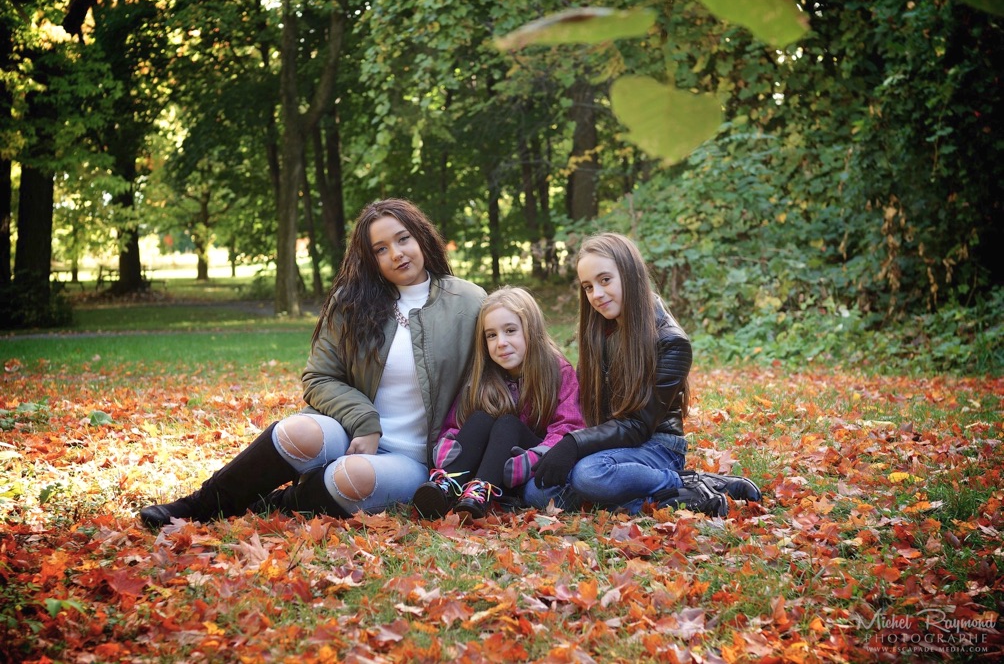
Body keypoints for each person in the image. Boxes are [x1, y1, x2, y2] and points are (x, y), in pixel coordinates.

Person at [139, 199, 486, 528]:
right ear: (370, 259)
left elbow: (511, 360)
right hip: (351, 430)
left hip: (415, 458)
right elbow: (319, 377)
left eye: (403, 239)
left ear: (421, 236)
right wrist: (365, 422)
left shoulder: (467, 301)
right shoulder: (351, 303)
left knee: (350, 477)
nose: (396, 254)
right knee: (297, 431)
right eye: (381, 249)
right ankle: (199, 506)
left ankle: (284, 501)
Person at [525, 233, 762, 516]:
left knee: (589, 475)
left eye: (605, 280)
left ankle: (686, 482)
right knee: (536, 492)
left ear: (630, 274)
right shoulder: (599, 331)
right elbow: (583, 407)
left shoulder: (670, 341)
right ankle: (668, 498)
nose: (596, 295)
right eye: (588, 287)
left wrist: (575, 445)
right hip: (611, 447)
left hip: (657, 446)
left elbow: (638, 427)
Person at [411, 286, 585, 521]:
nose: (501, 342)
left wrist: (530, 461)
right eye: (491, 335)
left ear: (531, 330)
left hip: (529, 467)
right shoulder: (483, 377)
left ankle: (480, 491)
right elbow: (456, 424)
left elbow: (568, 427)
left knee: (507, 424)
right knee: (481, 419)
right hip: (486, 466)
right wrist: (448, 449)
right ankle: (447, 486)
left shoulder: (557, 371)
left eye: (510, 331)